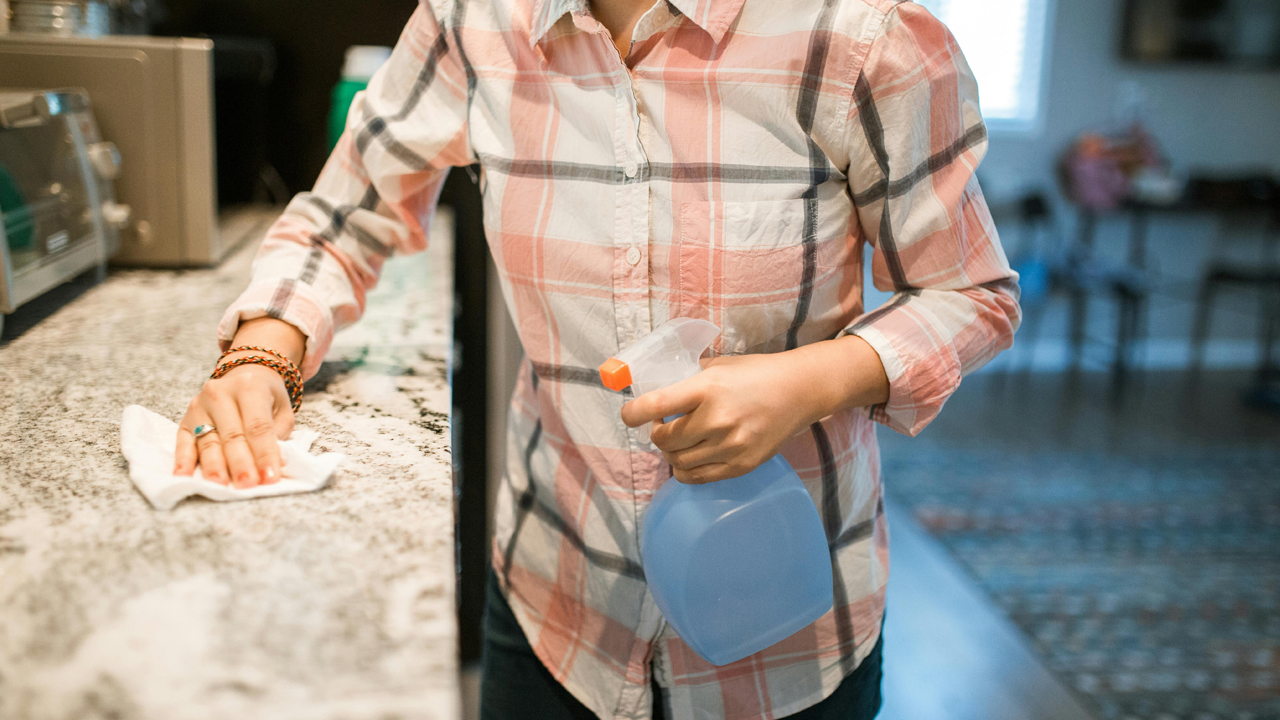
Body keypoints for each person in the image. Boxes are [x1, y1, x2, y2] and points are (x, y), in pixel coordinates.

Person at [174, 0, 1021, 717]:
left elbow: (973, 293)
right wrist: (264, 350)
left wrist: (807, 382)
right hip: (556, 606)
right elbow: (344, 212)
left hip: (785, 639)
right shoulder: (475, 20)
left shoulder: (860, 35)